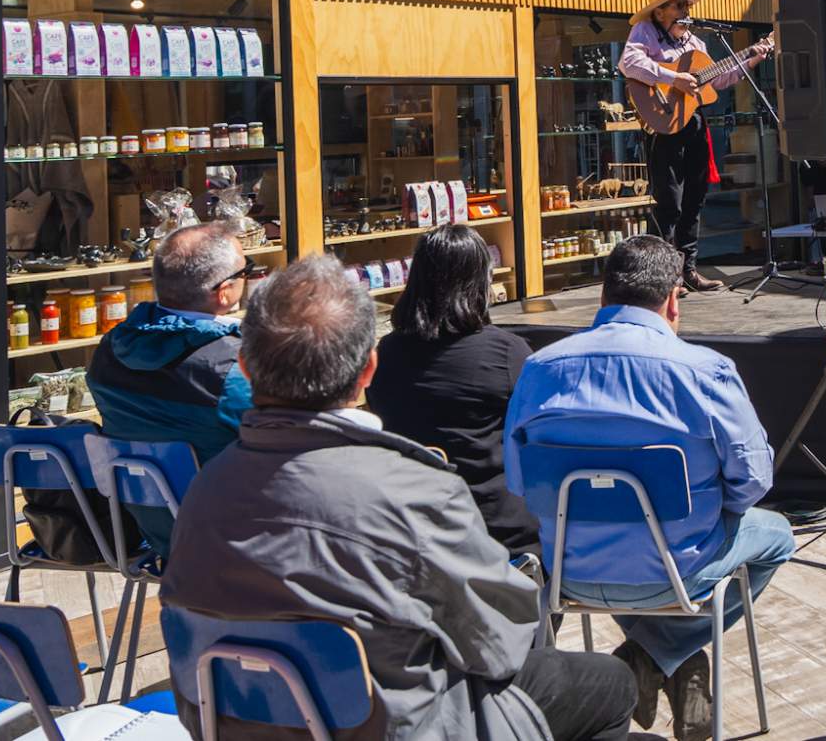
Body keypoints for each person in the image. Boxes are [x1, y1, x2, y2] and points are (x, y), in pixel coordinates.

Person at [160, 255, 635, 741]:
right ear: (368, 369)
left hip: (240, 727)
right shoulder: (413, 489)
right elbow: (501, 641)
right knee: (611, 683)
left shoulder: (203, 488)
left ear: (244, 366)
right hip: (399, 728)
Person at [504, 235, 793, 741]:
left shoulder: (538, 369)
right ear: (673, 300)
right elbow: (754, 482)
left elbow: (518, 480)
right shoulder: (706, 371)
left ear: (602, 296)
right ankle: (655, 654)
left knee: (634, 539)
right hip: (677, 573)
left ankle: (657, 656)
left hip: (567, 572)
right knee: (780, 538)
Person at [367, 223, 538, 558]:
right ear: (480, 282)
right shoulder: (507, 353)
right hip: (499, 536)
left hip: (412, 532)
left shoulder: (386, 353)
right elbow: (537, 435)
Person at [86, 220, 254, 556]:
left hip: (154, 533)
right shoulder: (234, 368)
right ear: (224, 292)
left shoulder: (111, 351)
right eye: (245, 270)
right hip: (234, 543)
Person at [618, 0, 771, 292]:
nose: (686, 11)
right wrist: (674, 78)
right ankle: (662, 276)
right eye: (678, 6)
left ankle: (687, 270)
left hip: (694, 122)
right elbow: (629, 63)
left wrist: (753, 55)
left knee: (695, 198)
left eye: (687, 6)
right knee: (669, 201)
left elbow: (720, 78)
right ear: (660, 12)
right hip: (662, 123)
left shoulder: (695, 43)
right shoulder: (645, 31)